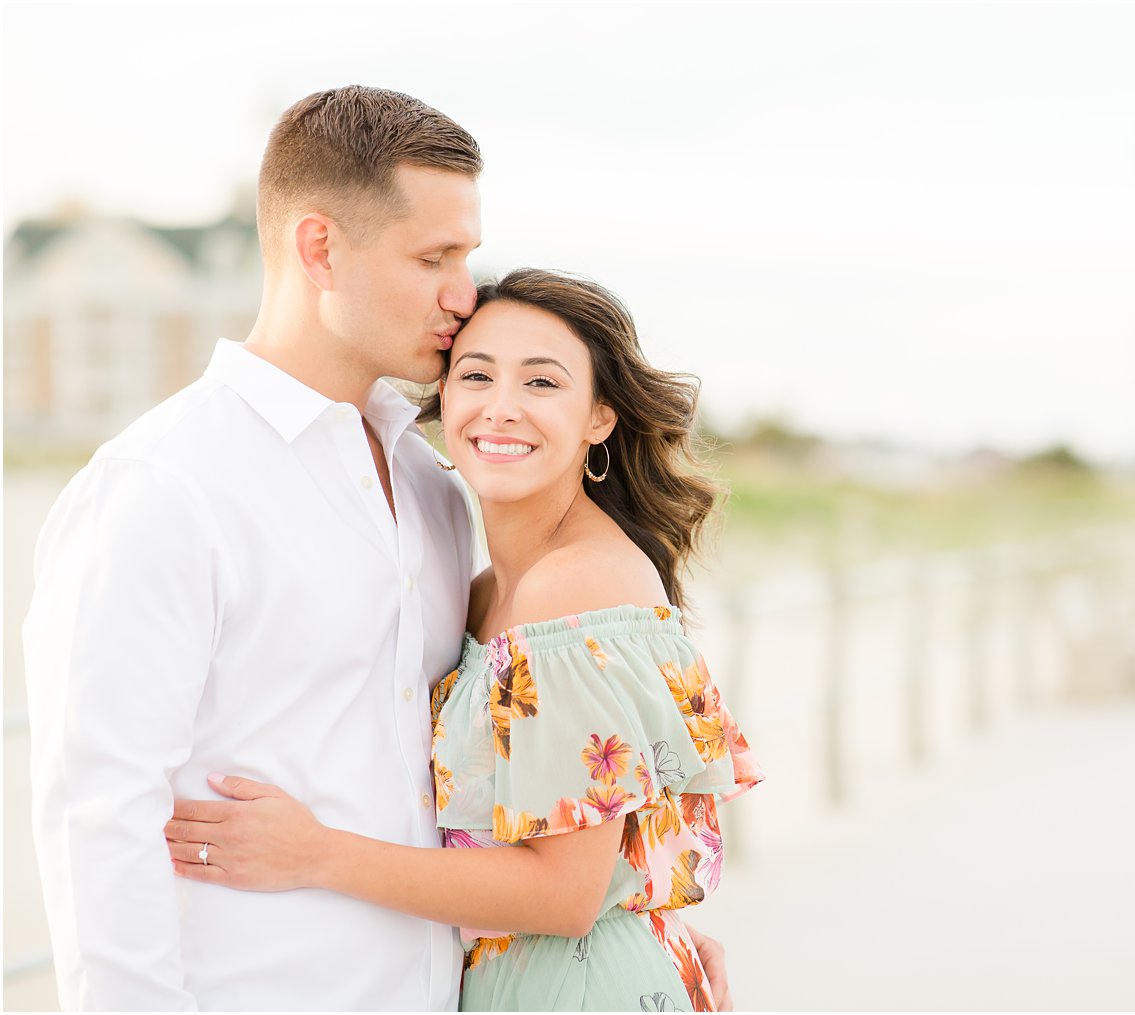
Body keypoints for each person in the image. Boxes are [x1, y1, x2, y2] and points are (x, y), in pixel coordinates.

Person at [22, 87, 731, 1011]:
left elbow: (517, 782)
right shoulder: (163, 486)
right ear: (321, 248)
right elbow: (98, 818)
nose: (462, 294)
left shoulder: (434, 488)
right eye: (434, 257)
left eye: (466, 256)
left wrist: (628, 925)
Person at [163, 269, 763, 1013]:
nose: (501, 408)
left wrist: (314, 852)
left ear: (599, 417)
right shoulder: (487, 586)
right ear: (445, 399)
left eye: (542, 383)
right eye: (476, 375)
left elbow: (565, 891)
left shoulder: (570, 588)